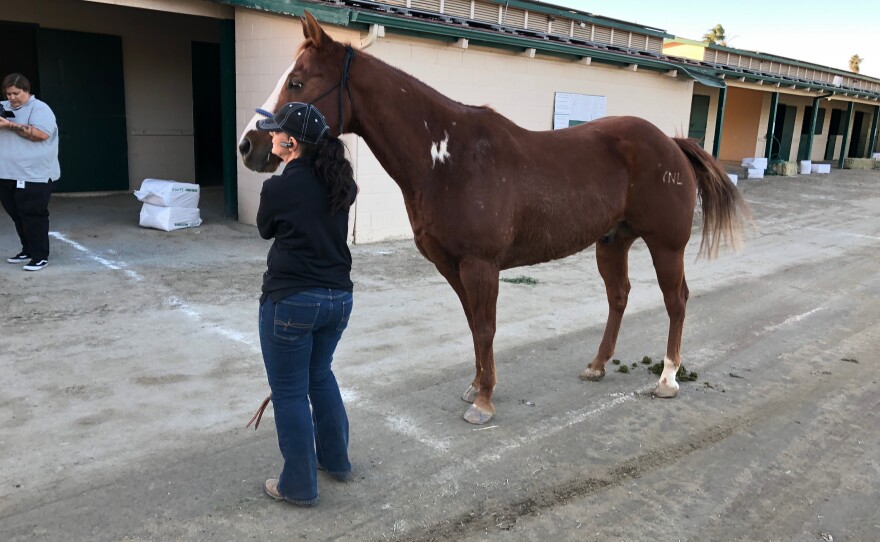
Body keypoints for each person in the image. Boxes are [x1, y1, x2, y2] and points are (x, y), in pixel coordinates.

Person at [255, 102, 358, 507]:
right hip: (338, 299)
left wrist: (280, 173)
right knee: (319, 376)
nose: (271, 136)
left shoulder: (278, 187)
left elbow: (266, 229)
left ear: (291, 142)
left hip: (292, 301)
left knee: (289, 392)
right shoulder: (340, 182)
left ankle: (297, 485)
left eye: (277, 132)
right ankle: (336, 461)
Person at [0, 73, 60, 272]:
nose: (12, 98)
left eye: (16, 93)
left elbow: (40, 135)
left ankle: (40, 256)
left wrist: (9, 124)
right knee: (16, 215)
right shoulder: (4, 107)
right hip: (7, 173)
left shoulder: (40, 109)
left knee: (33, 215)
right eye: (8, 94)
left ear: (26, 90)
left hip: (34, 174)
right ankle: (27, 250)